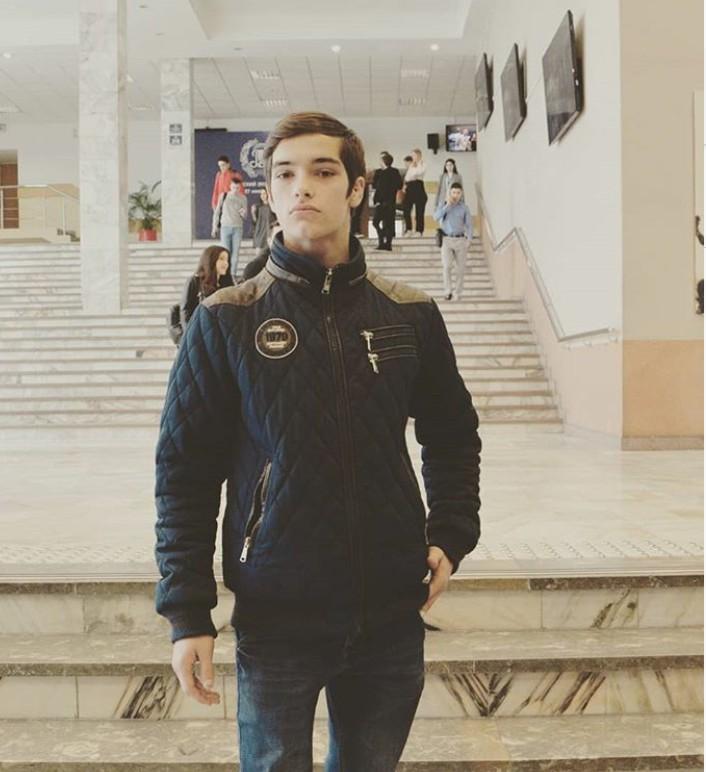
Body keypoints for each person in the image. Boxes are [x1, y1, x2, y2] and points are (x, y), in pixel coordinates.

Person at [154, 111, 482, 772]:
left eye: (323, 171)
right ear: (270, 194)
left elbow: (452, 434)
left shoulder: (410, 314)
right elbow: (185, 472)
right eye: (284, 174)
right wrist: (188, 613)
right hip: (277, 617)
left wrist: (451, 530)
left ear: (357, 189)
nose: (301, 186)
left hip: (390, 614)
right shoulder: (226, 320)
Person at [434, 182, 473, 302]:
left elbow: (469, 225)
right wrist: (447, 206)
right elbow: (436, 217)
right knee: (447, 266)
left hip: (460, 240)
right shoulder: (443, 205)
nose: (456, 195)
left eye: (458, 193)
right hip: (446, 239)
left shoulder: (464, 208)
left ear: (461, 194)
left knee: (460, 268)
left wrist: (469, 239)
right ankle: (448, 291)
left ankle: (458, 292)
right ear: (450, 193)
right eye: (454, 192)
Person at [179, 245, 234, 330]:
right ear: (210, 260)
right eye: (221, 259)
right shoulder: (195, 281)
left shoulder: (228, 284)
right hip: (199, 331)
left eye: (227, 260)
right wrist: (190, 333)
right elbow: (185, 311)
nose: (226, 263)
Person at [212, 179, 247, 280]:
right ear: (230, 186)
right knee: (226, 252)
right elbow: (217, 212)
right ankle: (225, 274)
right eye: (234, 187)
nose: (235, 189)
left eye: (237, 188)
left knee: (235, 253)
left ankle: (232, 274)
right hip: (225, 227)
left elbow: (245, 216)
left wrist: (243, 213)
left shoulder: (243, 198)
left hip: (237, 227)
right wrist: (214, 227)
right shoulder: (223, 196)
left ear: (240, 188)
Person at [371, 151, 402, 251]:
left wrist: (378, 200)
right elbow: (399, 185)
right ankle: (385, 242)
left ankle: (384, 242)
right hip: (386, 202)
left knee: (381, 222)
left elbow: (381, 188)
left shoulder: (388, 173)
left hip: (385, 202)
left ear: (383, 162)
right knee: (382, 223)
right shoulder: (388, 172)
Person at [402, 148, 427, 237]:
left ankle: (419, 231)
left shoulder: (423, 164)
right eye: (412, 155)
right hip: (410, 187)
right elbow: (407, 177)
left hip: (418, 186)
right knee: (406, 209)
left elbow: (418, 173)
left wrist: (414, 171)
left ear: (418, 155)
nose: (412, 157)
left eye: (413, 155)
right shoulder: (411, 165)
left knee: (419, 211)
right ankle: (408, 229)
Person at [251, 188, 276, 260]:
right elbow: (255, 221)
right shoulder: (257, 206)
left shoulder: (273, 206)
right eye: (261, 194)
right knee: (258, 255)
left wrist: (272, 226)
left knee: (270, 256)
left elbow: (277, 219)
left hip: (269, 233)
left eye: (264, 193)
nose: (263, 195)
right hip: (259, 232)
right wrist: (253, 213)